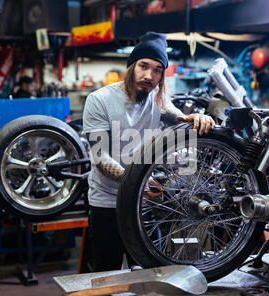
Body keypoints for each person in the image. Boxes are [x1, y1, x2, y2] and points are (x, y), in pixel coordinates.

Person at [82, 32, 216, 272]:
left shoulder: (156, 98)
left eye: (157, 70)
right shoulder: (99, 100)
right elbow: (100, 157)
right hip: (107, 203)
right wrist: (136, 182)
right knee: (108, 274)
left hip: (141, 204)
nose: (149, 76)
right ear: (132, 66)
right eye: (144, 66)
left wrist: (195, 117)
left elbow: (177, 115)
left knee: (150, 273)